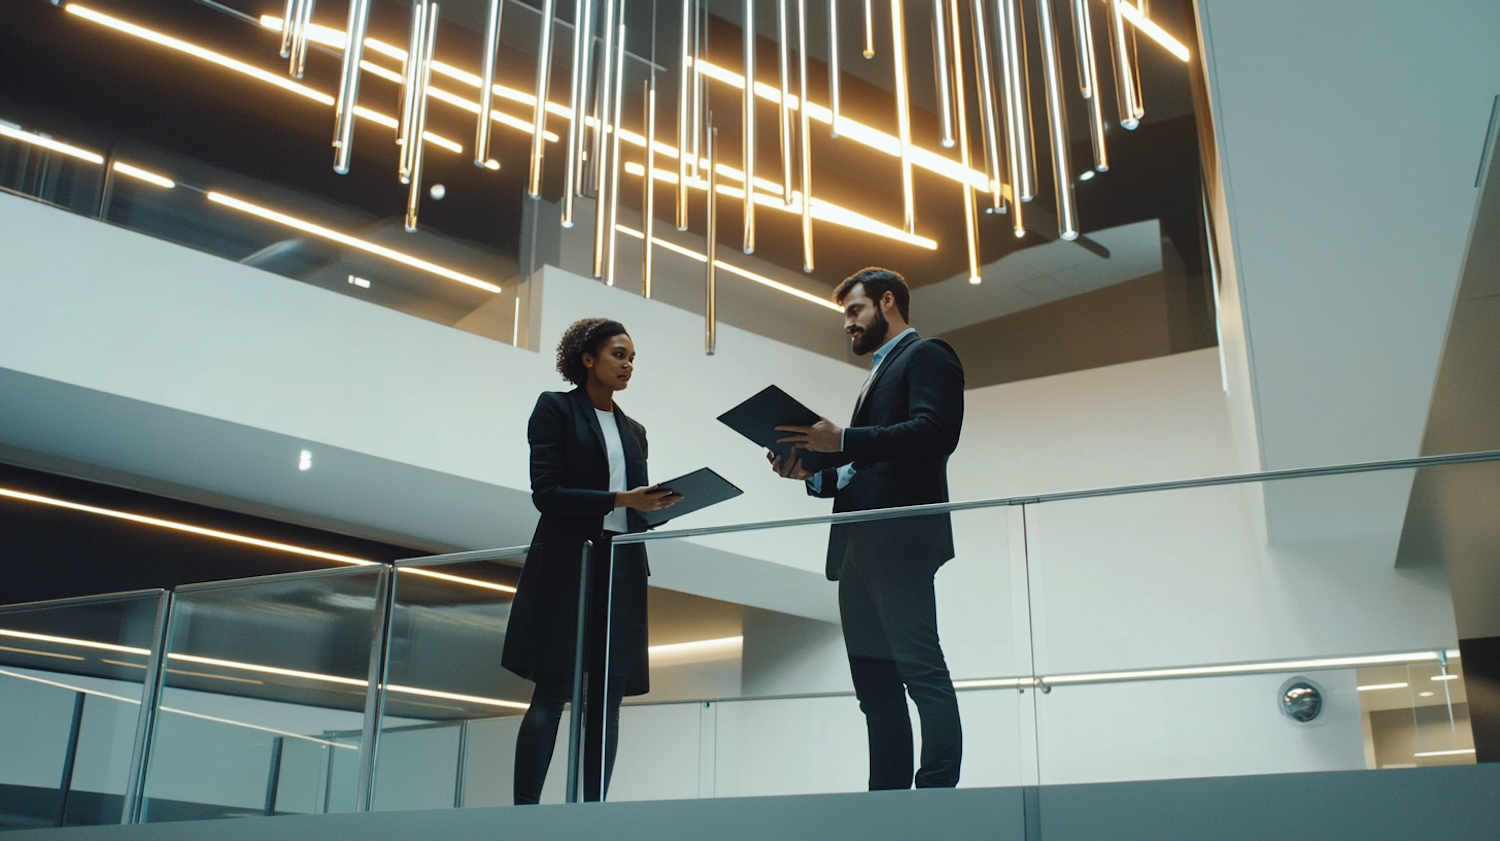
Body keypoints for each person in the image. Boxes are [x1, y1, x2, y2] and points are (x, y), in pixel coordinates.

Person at [769, 267, 965, 790]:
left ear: (887, 302)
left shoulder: (928, 355)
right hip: (858, 546)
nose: (848, 325)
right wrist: (811, 473)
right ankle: (887, 800)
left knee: (921, 672)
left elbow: (935, 433)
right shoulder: (874, 376)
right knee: (875, 689)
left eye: (854, 311)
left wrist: (847, 439)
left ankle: (937, 793)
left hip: (899, 539)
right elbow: (861, 469)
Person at [502, 318, 680, 804]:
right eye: (618, 355)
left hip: (621, 567)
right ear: (587, 358)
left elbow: (632, 506)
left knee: (608, 698)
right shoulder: (556, 408)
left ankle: (591, 815)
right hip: (571, 564)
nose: (628, 365)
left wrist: (656, 506)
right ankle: (525, 816)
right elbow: (548, 493)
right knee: (554, 688)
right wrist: (622, 499)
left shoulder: (635, 430)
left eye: (632, 359)